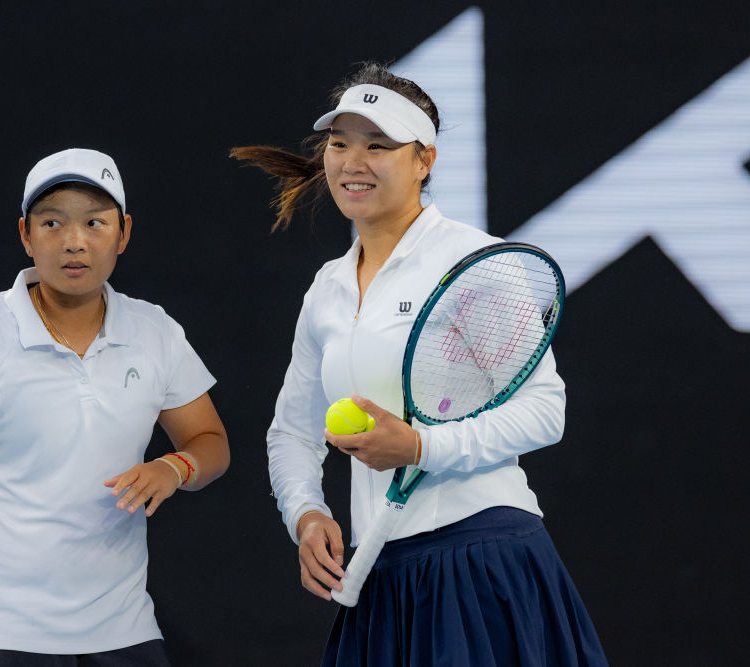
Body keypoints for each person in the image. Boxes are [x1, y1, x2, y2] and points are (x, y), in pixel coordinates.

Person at [232, 64, 607, 665]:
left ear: (423, 161)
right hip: (380, 576)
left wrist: (419, 448)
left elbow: (545, 411)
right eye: (340, 144)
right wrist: (305, 513)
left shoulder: (473, 263)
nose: (353, 163)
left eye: (378, 145)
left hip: (480, 560)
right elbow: (292, 433)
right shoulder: (327, 288)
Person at [0, 148, 229, 667]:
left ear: (123, 233)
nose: (74, 241)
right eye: (52, 223)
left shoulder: (155, 330)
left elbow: (210, 442)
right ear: (26, 235)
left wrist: (174, 466)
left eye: (95, 222)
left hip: (125, 631)